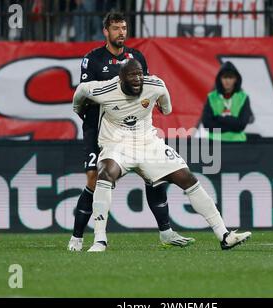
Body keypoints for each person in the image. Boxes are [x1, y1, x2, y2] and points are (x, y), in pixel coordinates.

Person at [72, 59, 252, 252]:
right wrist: (79, 109)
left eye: (140, 74)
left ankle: (224, 235)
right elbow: (81, 90)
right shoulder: (104, 89)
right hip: (117, 144)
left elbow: (167, 109)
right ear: (120, 78)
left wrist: (162, 107)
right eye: (132, 75)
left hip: (149, 143)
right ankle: (100, 239)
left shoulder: (155, 85)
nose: (137, 79)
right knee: (105, 173)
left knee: (187, 177)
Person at [68, 12, 194, 251]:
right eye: (116, 28)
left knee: (153, 176)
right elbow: (84, 95)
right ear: (106, 31)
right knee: (94, 179)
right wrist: (90, 121)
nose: (121, 33)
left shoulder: (136, 58)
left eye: (124, 28)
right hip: (98, 128)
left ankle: (166, 232)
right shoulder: (92, 60)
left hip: (134, 131)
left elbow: (144, 93)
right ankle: (77, 237)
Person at [202, 61, 254, 142]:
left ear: (236, 79)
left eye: (230, 77)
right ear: (220, 79)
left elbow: (241, 125)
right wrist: (233, 122)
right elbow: (207, 124)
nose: (227, 81)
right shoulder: (211, 97)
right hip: (214, 143)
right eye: (224, 77)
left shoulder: (243, 98)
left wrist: (219, 119)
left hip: (237, 144)